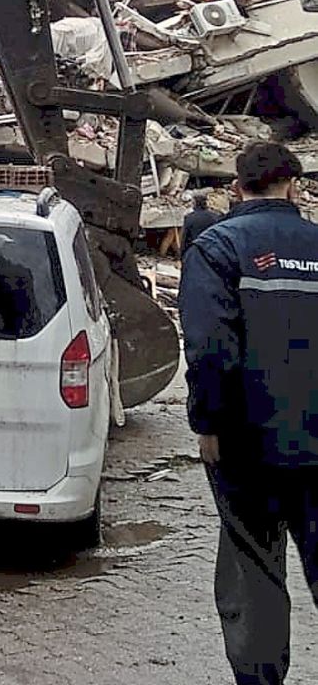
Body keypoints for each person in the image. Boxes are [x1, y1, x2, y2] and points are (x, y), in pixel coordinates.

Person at [179, 141, 318, 685]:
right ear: (295, 186)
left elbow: (210, 348)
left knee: (254, 573)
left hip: (247, 444)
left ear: (236, 188)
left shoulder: (217, 248)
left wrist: (208, 423)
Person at [181, 190, 223, 256]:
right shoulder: (215, 216)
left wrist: (182, 254)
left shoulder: (189, 217)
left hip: (196, 250)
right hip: (212, 249)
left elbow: (185, 238)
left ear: (194, 203)